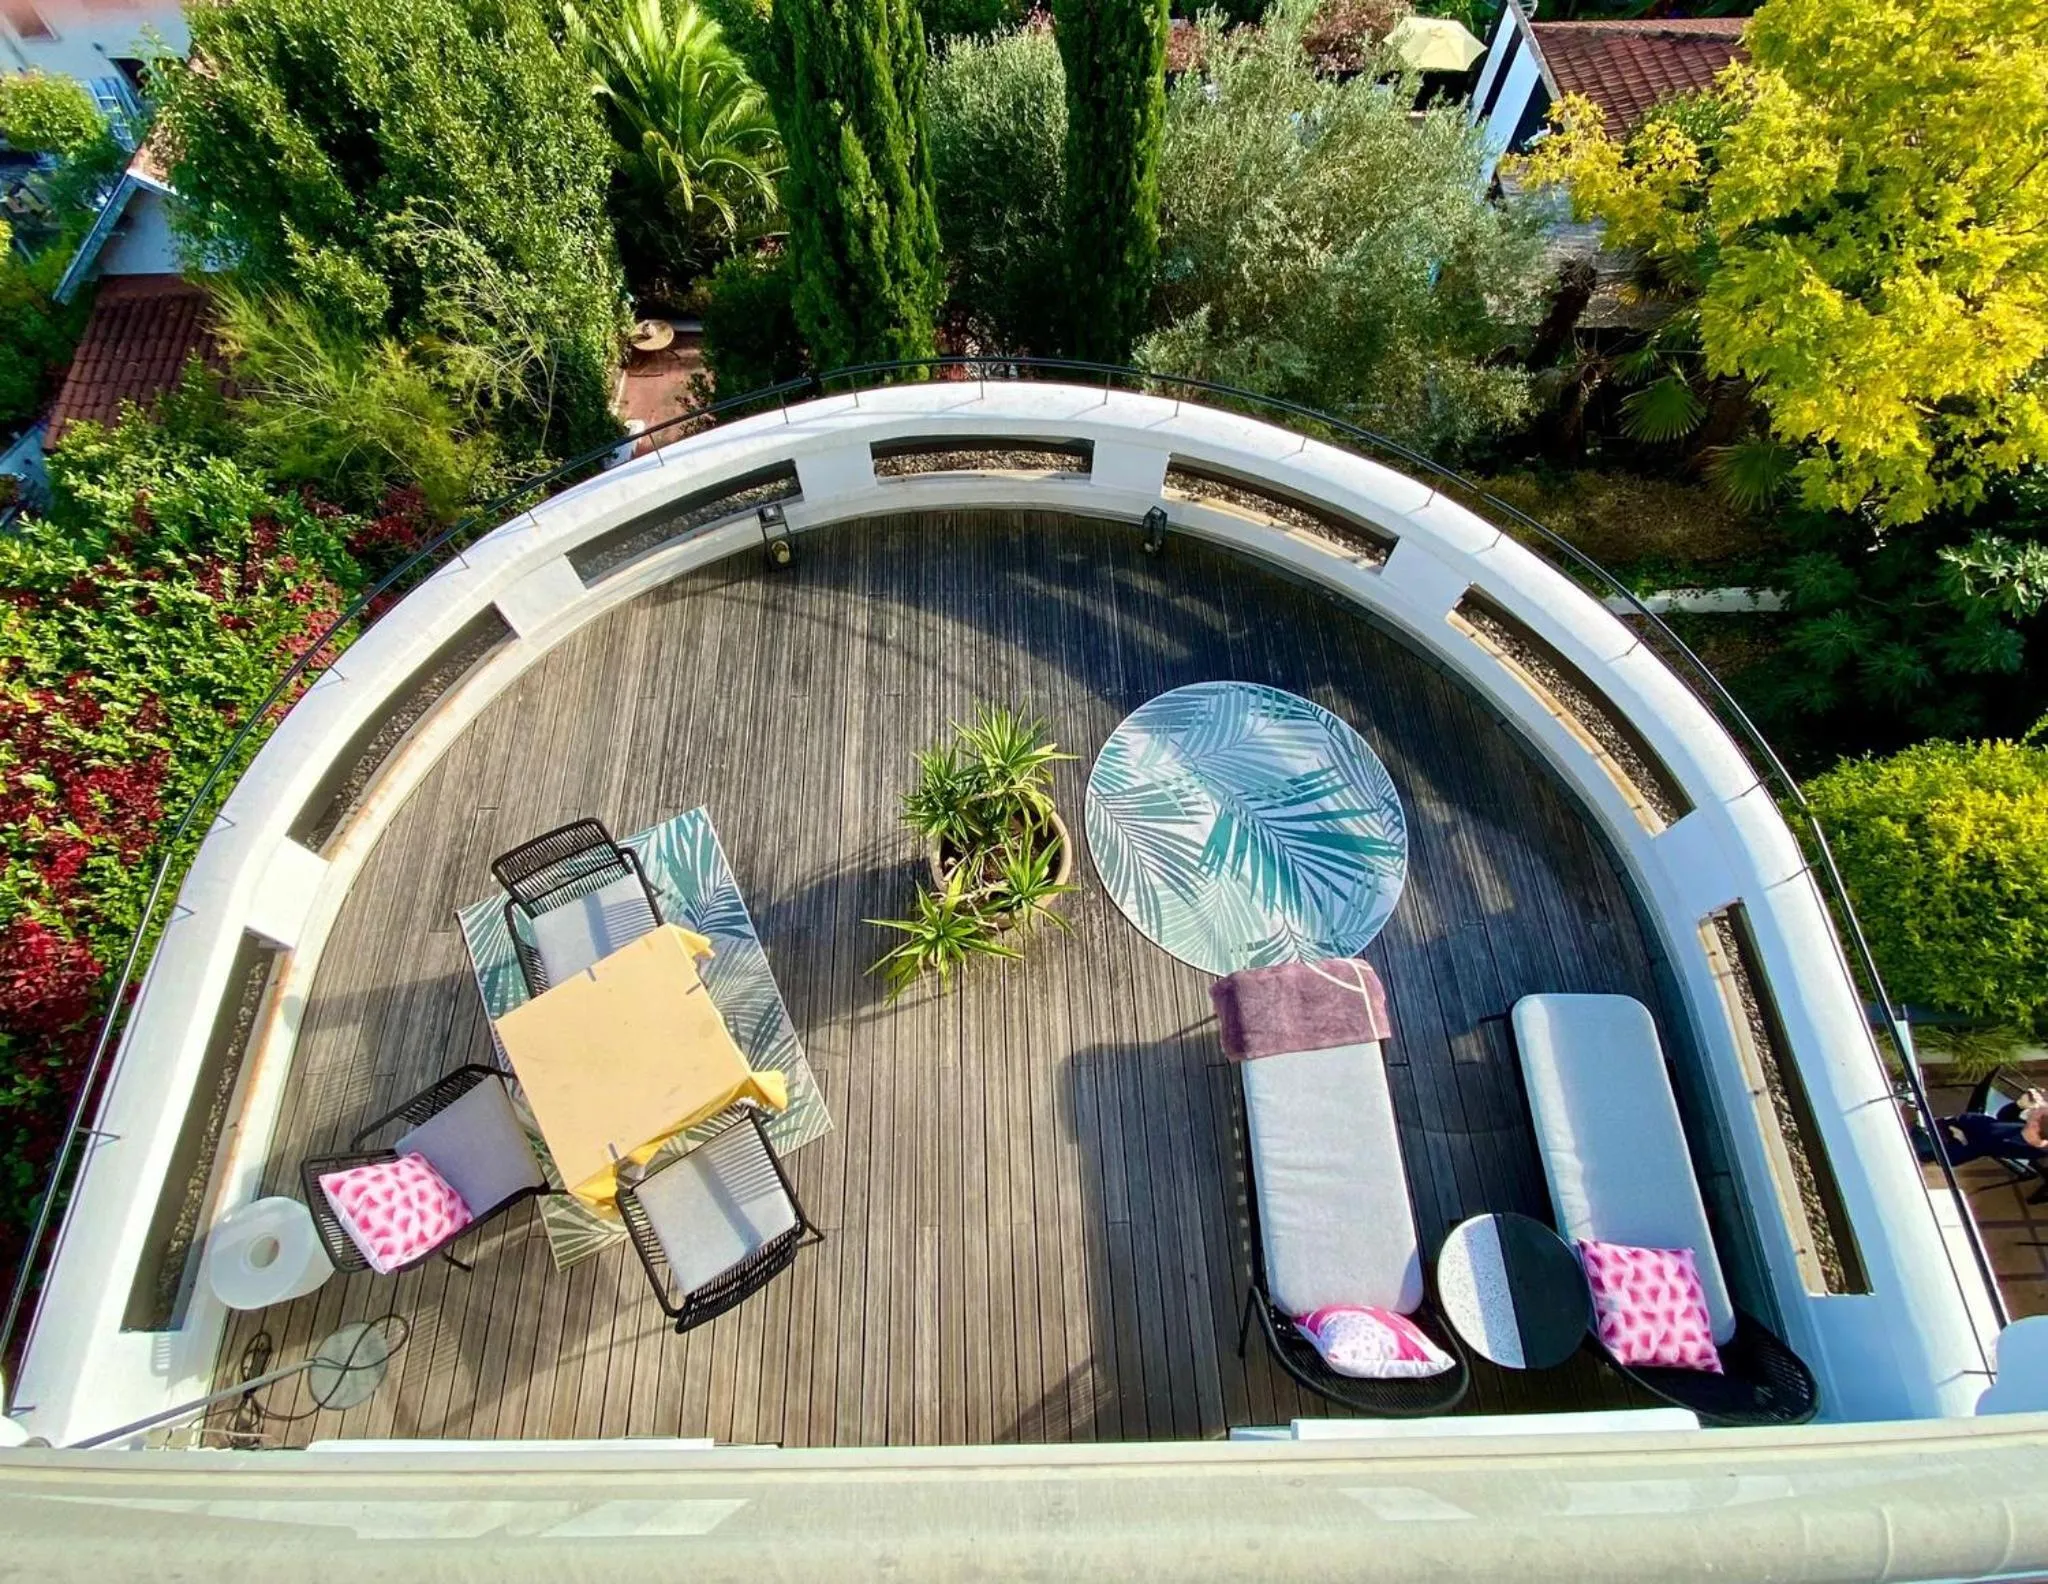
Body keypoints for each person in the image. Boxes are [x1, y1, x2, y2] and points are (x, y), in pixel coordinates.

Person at [1926, 1087, 2048, 1167]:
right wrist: (2019, 1105)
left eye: (2041, 1110)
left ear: (2035, 1124)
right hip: (1964, 1126)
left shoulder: (2004, 1141)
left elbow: (1957, 1156)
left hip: (1946, 1139)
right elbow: (2003, 1118)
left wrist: (1961, 1140)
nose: (2038, 1107)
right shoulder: (2032, 1132)